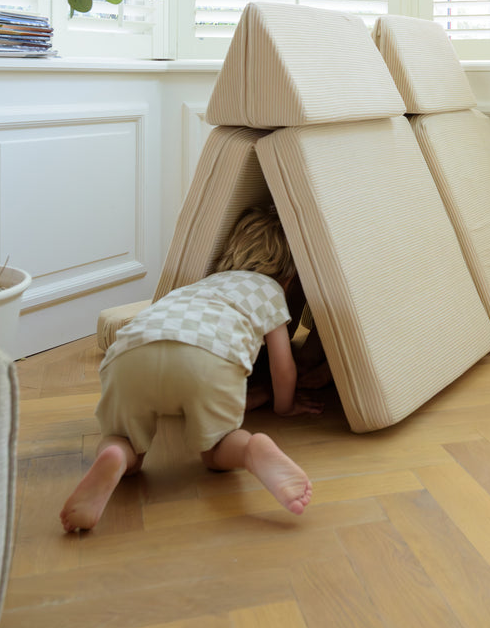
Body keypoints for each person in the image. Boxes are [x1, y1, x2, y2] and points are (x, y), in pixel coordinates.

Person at [60, 205, 323, 533]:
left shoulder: (200, 285)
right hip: (206, 360)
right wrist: (284, 407)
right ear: (288, 277)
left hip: (130, 351)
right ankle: (251, 450)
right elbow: (282, 369)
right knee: (216, 450)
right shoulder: (271, 293)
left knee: (122, 439)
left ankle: (114, 453)